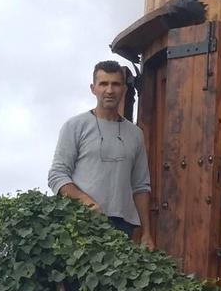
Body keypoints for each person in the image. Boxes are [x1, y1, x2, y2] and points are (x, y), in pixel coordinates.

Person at [48, 61, 153, 244]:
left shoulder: (136, 134)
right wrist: (85, 201)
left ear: (124, 89)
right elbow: (57, 175)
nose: (110, 90)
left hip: (123, 226)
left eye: (116, 84)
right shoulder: (75, 126)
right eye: (103, 84)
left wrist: (147, 234)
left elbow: (141, 186)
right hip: (79, 221)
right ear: (93, 88)